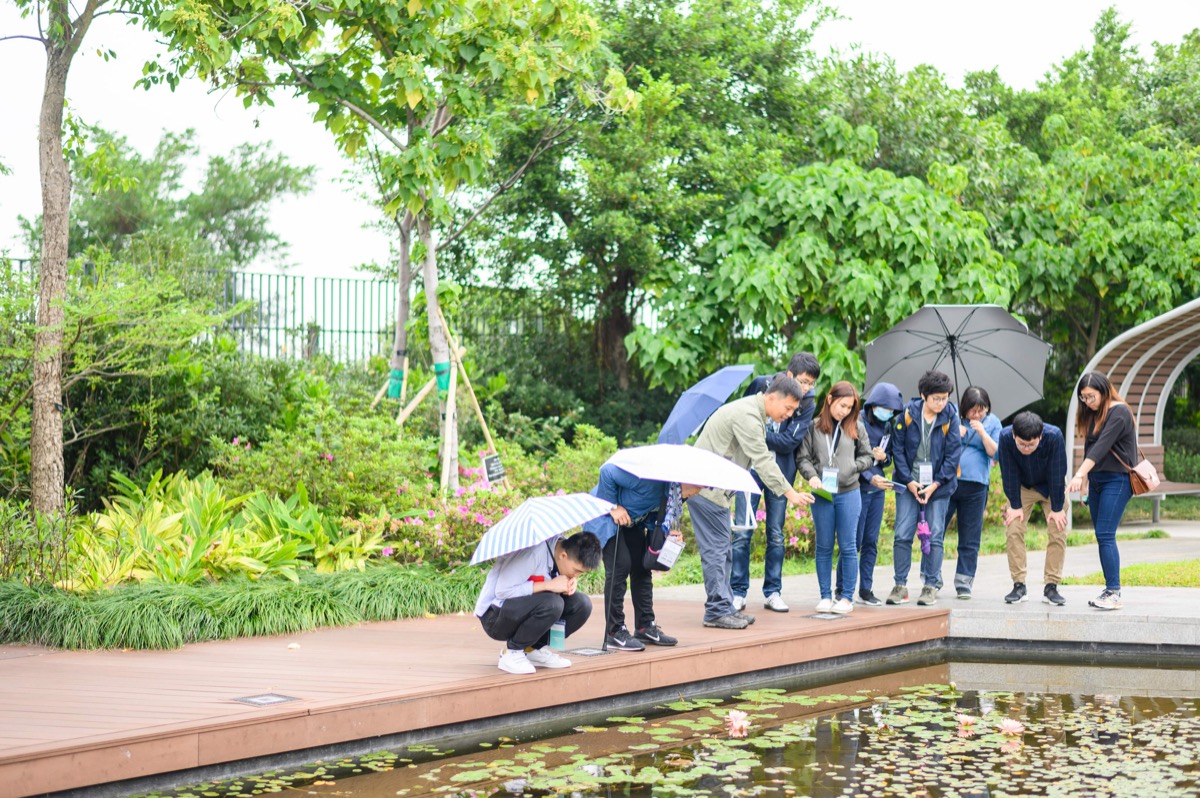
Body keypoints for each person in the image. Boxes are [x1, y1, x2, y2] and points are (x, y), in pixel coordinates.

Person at [691, 375, 816, 629]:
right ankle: (715, 612)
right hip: (706, 491)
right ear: (772, 397)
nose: (789, 415)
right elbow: (762, 460)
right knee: (716, 552)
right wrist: (790, 493)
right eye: (788, 408)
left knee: (724, 550)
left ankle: (724, 606)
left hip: (716, 491)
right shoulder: (748, 415)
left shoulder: (753, 412)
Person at [730, 352, 821, 614]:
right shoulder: (761, 384)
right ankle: (737, 591)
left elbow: (790, 442)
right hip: (749, 470)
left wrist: (758, 435)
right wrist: (755, 437)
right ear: (790, 375)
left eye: (811, 384)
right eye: (803, 382)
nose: (806, 389)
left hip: (780, 474)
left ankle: (773, 591)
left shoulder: (808, 403)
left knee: (776, 535)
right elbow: (743, 417)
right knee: (742, 531)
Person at [582, 465, 700, 651]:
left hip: (631, 521)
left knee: (641, 568)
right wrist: (612, 506)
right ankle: (614, 632)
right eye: (698, 487)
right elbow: (607, 471)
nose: (697, 493)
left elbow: (657, 518)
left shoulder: (674, 495)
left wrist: (669, 535)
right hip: (603, 515)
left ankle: (645, 626)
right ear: (686, 479)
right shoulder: (649, 481)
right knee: (621, 566)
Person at [474, 531, 602, 675]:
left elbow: (554, 584)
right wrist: (549, 585)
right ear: (563, 556)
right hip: (494, 616)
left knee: (582, 604)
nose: (576, 575)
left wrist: (570, 582)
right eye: (576, 571)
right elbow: (502, 591)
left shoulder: (562, 549)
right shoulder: (533, 553)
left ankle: (533, 650)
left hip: (522, 607)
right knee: (553, 603)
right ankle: (512, 653)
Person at [796, 381, 875, 614]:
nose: (845, 411)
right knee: (823, 546)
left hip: (849, 491)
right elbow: (803, 458)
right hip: (823, 494)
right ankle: (824, 596)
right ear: (829, 400)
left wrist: (852, 466)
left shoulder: (857, 428)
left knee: (849, 546)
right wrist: (811, 476)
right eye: (842, 405)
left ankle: (847, 598)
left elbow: (868, 457)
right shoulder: (813, 428)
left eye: (850, 407)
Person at [887, 370, 962, 607]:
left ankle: (930, 585)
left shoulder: (951, 416)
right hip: (909, 484)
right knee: (902, 534)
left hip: (939, 487)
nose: (941, 403)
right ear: (923, 395)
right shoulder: (907, 415)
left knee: (935, 535)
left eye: (945, 398)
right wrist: (909, 481)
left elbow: (953, 455)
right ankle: (900, 586)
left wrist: (936, 484)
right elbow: (897, 450)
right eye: (936, 399)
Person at [1068, 371, 1139, 611]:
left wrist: (1078, 474)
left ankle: (1114, 592)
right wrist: (1086, 482)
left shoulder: (1119, 411)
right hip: (1097, 481)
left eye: (1091, 397)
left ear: (1104, 390)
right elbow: (1089, 449)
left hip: (1117, 480)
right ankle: (1110, 589)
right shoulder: (1092, 414)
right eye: (1083, 398)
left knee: (1106, 533)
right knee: (1101, 534)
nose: (1087, 402)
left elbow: (1101, 448)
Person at [836, 381, 902, 607]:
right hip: (857, 487)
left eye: (893, 411)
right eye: (886, 409)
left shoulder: (887, 426)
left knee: (871, 541)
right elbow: (848, 458)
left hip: (878, 490)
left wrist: (885, 458)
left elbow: (890, 457)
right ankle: (842, 588)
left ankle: (865, 589)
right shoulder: (857, 421)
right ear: (874, 405)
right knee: (852, 541)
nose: (888, 414)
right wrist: (868, 477)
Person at [996, 411, 1068, 605]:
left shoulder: (1054, 436)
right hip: (1022, 486)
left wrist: (1058, 507)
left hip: (1052, 486)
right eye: (1022, 444)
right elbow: (1008, 471)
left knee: (1057, 530)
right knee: (1013, 530)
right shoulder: (1005, 437)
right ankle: (1019, 585)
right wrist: (1015, 505)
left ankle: (1051, 586)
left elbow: (1058, 471)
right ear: (1014, 436)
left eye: (1031, 444)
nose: (1026, 448)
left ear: (1040, 437)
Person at [945, 386, 1001, 600]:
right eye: (972, 411)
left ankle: (964, 581)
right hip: (948, 483)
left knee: (970, 536)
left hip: (976, 486)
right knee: (936, 531)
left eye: (982, 410)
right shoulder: (951, 418)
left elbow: (995, 453)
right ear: (964, 408)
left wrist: (981, 432)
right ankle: (931, 578)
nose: (977, 414)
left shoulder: (993, 422)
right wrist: (953, 431)